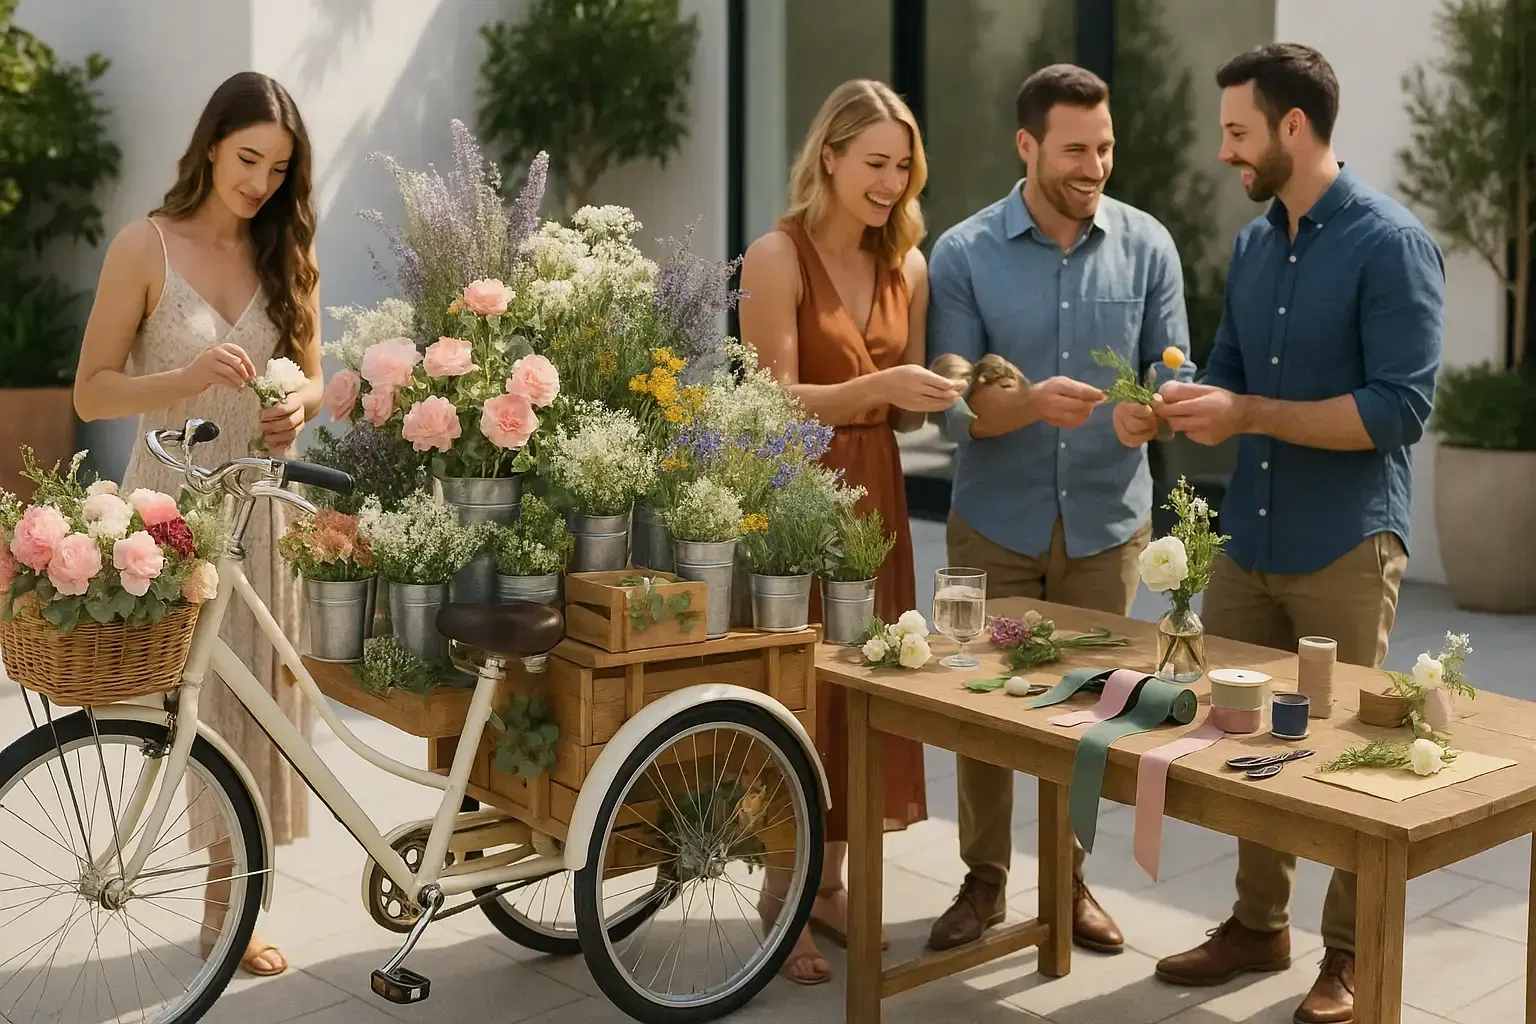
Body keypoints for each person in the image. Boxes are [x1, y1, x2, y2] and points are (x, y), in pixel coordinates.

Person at [1151, 44, 1443, 1023]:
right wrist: (1184, 401)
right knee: (1240, 746)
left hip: (1345, 549)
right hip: (1251, 545)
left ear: (1292, 128)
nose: (1224, 148)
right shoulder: (1252, 245)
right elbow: (1231, 368)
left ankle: (1351, 956)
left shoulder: (1391, 243)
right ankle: (1256, 923)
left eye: (1237, 129)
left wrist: (1250, 415)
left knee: (1348, 762)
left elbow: (1398, 410)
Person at [924, 63, 1193, 955]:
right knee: (981, 711)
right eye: (1076, 148)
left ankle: (1072, 884)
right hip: (992, 526)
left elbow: (1171, 372)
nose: (1096, 165)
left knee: (1091, 715)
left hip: (1108, 529)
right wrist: (1032, 403)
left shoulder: (1150, 244)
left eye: (1106, 146)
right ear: (1028, 145)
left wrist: (1152, 407)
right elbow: (954, 409)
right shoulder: (963, 255)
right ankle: (984, 881)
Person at [73, 71, 323, 978]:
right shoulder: (146, 246)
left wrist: (297, 411)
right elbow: (90, 388)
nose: (259, 182)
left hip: (260, 506)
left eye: (278, 167)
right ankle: (155, 871)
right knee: (178, 708)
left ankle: (233, 907)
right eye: (248, 158)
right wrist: (181, 383)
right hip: (170, 505)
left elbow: (310, 380)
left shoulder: (288, 252)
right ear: (212, 143)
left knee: (251, 710)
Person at [738, 78, 962, 985]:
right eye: (875, 163)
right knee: (798, 699)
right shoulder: (775, 256)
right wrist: (880, 388)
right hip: (795, 503)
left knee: (860, 700)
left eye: (903, 166)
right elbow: (769, 402)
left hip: (880, 508)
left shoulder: (908, 264)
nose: (891, 183)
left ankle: (826, 887)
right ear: (827, 156)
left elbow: (895, 407)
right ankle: (778, 900)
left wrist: (930, 389)